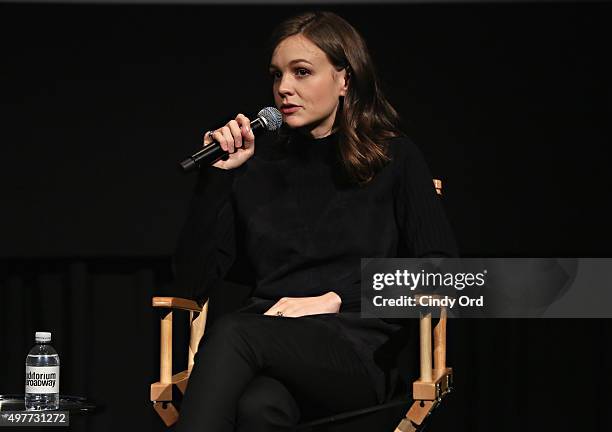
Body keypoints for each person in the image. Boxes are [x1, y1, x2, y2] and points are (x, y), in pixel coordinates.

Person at [173, 10, 457, 432]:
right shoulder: (258, 170)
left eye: (302, 72)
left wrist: (337, 298)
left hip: (356, 352)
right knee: (258, 409)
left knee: (235, 331)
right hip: (268, 350)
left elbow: (443, 276)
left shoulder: (394, 159)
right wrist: (217, 180)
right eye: (276, 75)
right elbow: (190, 284)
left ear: (344, 80)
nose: (283, 88)